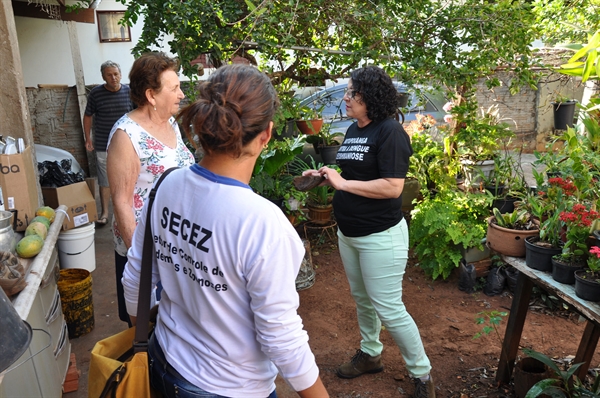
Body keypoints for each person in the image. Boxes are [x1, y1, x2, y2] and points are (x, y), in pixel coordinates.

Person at [121, 64, 329, 398]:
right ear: (266, 134)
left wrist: (151, 344)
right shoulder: (262, 224)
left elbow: (135, 279)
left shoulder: (165, 185)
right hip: (230, 387)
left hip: (164, 365)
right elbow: (280, 336)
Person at [303, 65, 435, 398]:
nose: (346, 98)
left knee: (389, 308)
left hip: (381, 236)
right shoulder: (354, 129)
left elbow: (392, 187)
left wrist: (343, 182)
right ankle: (371, 354)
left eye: (353, 94)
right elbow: (354, 175)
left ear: (370, 98)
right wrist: (326, 175)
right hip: (350, 234)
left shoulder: (390, 132)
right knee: (363, 300)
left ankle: (422, 376)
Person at [107, 52, 195, 326]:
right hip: (146, 250)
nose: (181, 94)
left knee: (176, 324)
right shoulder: (126, 135)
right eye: (174, 88)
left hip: (174, 244)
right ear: (151, 95)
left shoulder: (170, 124)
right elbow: (122, 201)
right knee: (148, 328)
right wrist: (142, 263)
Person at [83, 60, 135, 227]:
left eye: (116, 74)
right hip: (103, 144)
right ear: (103, 77)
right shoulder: (96, 94)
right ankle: (104, 213)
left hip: (127, 145)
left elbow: (137, 114)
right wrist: (88, 138)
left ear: (121, 74)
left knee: (129, 178)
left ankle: (129, 211)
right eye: (109, 75)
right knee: (104, 180)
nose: (113, 78)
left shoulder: (129, 91)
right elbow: (88, 116)